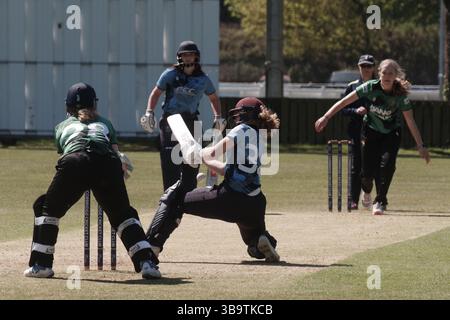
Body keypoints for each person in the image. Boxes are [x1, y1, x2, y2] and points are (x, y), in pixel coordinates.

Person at [24, 82, 161, 279]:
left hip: (75, 163)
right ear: (95, 104)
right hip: (108, 164)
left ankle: (41, 264)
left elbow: (69, 153)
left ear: (68, 107)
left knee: (47, 208)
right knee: (123, 214)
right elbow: (116, 154)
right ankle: (147, 262)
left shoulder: (61, 126)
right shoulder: (106, 123)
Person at [145, 97, 280, 262]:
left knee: (175, 199)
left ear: (246, 114)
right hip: (256, 203)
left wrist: (197, 152)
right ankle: (261, 239)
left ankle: (152, 246)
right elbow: (227, 170)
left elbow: (212, 154)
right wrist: (202, 156)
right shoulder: (260, 137)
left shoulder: (241, 130)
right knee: (252, 241)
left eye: (239, 114)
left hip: (231, 199)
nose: (236, 118)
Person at [315, 59, 430, 215]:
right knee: (367, 174)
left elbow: (410, 121)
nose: (387, 76)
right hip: (370, 130)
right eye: (384, 73)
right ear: (379, 73)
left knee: (388, 165)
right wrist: (326, 117)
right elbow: (343, 102)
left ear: (396, 75)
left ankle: (380, 201)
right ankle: (367, 192)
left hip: (391, 133)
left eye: (391, 73)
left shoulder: (400, 96)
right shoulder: (370, 87)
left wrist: (421, 146)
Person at [140, 40, 225, 194]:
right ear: (179, 57)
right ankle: (169, 195)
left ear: (196, 57)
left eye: (190, 55)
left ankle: (189, 193)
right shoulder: (170, 74)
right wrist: (149, 112)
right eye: (184, 55)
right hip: (170, 121)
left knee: (193, 159)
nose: (187, 58)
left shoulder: (203, 79)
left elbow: (214, 98)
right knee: (170, 159)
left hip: (191, 121)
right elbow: (156, 93)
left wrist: (218, 116)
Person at [340, 54, 378, 210]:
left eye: (369, 66)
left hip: (376, 131)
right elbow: (342, 109)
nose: (366, 69)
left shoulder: (380, 86)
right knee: (356, 166)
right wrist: (356, 111)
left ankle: (372, 196)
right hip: (356, 131)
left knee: (373, 166)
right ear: (359, 67)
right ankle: (353, 200)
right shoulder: (352, 86)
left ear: (374, 68)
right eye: (363, 66)